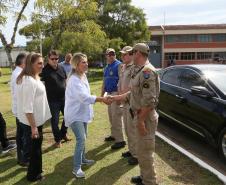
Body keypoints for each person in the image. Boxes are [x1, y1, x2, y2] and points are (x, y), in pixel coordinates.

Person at [109, 43, 160, 185]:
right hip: (139, 116)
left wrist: (140, 121)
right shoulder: (140, 70)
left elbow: (150, 101)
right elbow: (133, 93)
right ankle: (145, 177)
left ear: (138, 53)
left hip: (145, 118)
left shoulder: (147, 72)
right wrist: (115, 98)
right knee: (141, 150)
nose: (130, 55)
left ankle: (150, 181)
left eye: (132, 52)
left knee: (145, 152)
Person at [64, 53, 110, 178]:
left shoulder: (83, 76)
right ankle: (76, 168)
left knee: (84, 137)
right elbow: (84, 97)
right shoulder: (74, 80)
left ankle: (83, 159)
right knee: (81, 139)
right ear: (76, 65)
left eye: (86, 61)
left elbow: (86, 95)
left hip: (82, 113)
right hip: (74, 114)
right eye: (83, 62)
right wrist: (101, 99)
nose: (86, 64)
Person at [16, 53, 51, 181]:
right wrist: (34, 127)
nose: (42, 66)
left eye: (42, 63)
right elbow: (27, 107)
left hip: (36, 121)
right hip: (33, 122)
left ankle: (37, 170)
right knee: (35, 149)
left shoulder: (33, 77)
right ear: (31, 65)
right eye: (39, 63)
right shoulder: (28, 81)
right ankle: (33, 175)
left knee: (36, 148)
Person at [41, 50, 70, 148]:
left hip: (64, 98)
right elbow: (42, 86)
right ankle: (58, 140)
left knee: (68, 117)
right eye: (52, 59)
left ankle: (63, 134)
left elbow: (65, 81)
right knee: (55, 121)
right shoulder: (44, 70)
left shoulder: (61, 68)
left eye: (56, 59)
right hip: (52, 100)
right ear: (48, 59)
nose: (54, 60)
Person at [101, 48, 125, 149]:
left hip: (116, 93)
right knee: (111, 116)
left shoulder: (119, 65)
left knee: (116, 117)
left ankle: (120, 140)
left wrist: (119, 96)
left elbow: (121, 81)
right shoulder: (106, 67)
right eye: (109, 54)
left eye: (113, 54)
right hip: (109, 94)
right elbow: (104, 81)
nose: (111, 56)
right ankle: (114, 135)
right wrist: (102, 95)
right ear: (106, 55)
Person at [118, 46, 138, 165]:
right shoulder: (123, 67)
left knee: (132, 130)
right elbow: (121, 82)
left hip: (130, 102)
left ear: (131, 55)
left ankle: (136, 155)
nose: (123, 56)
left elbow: (131, 86)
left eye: (125, 54)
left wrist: (122, 94)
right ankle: (131, 150)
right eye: (122, 54)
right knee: (127, 127)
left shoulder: (134, 68)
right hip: (124, 101)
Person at [10, 53, 27, 166]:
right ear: (22, 62)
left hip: (20, 110)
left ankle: (21, 158)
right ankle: (23, 159)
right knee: (23, 136)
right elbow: (21, 95)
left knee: (21, 135)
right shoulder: (18, 74)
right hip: (21, 110)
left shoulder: (18, 73)